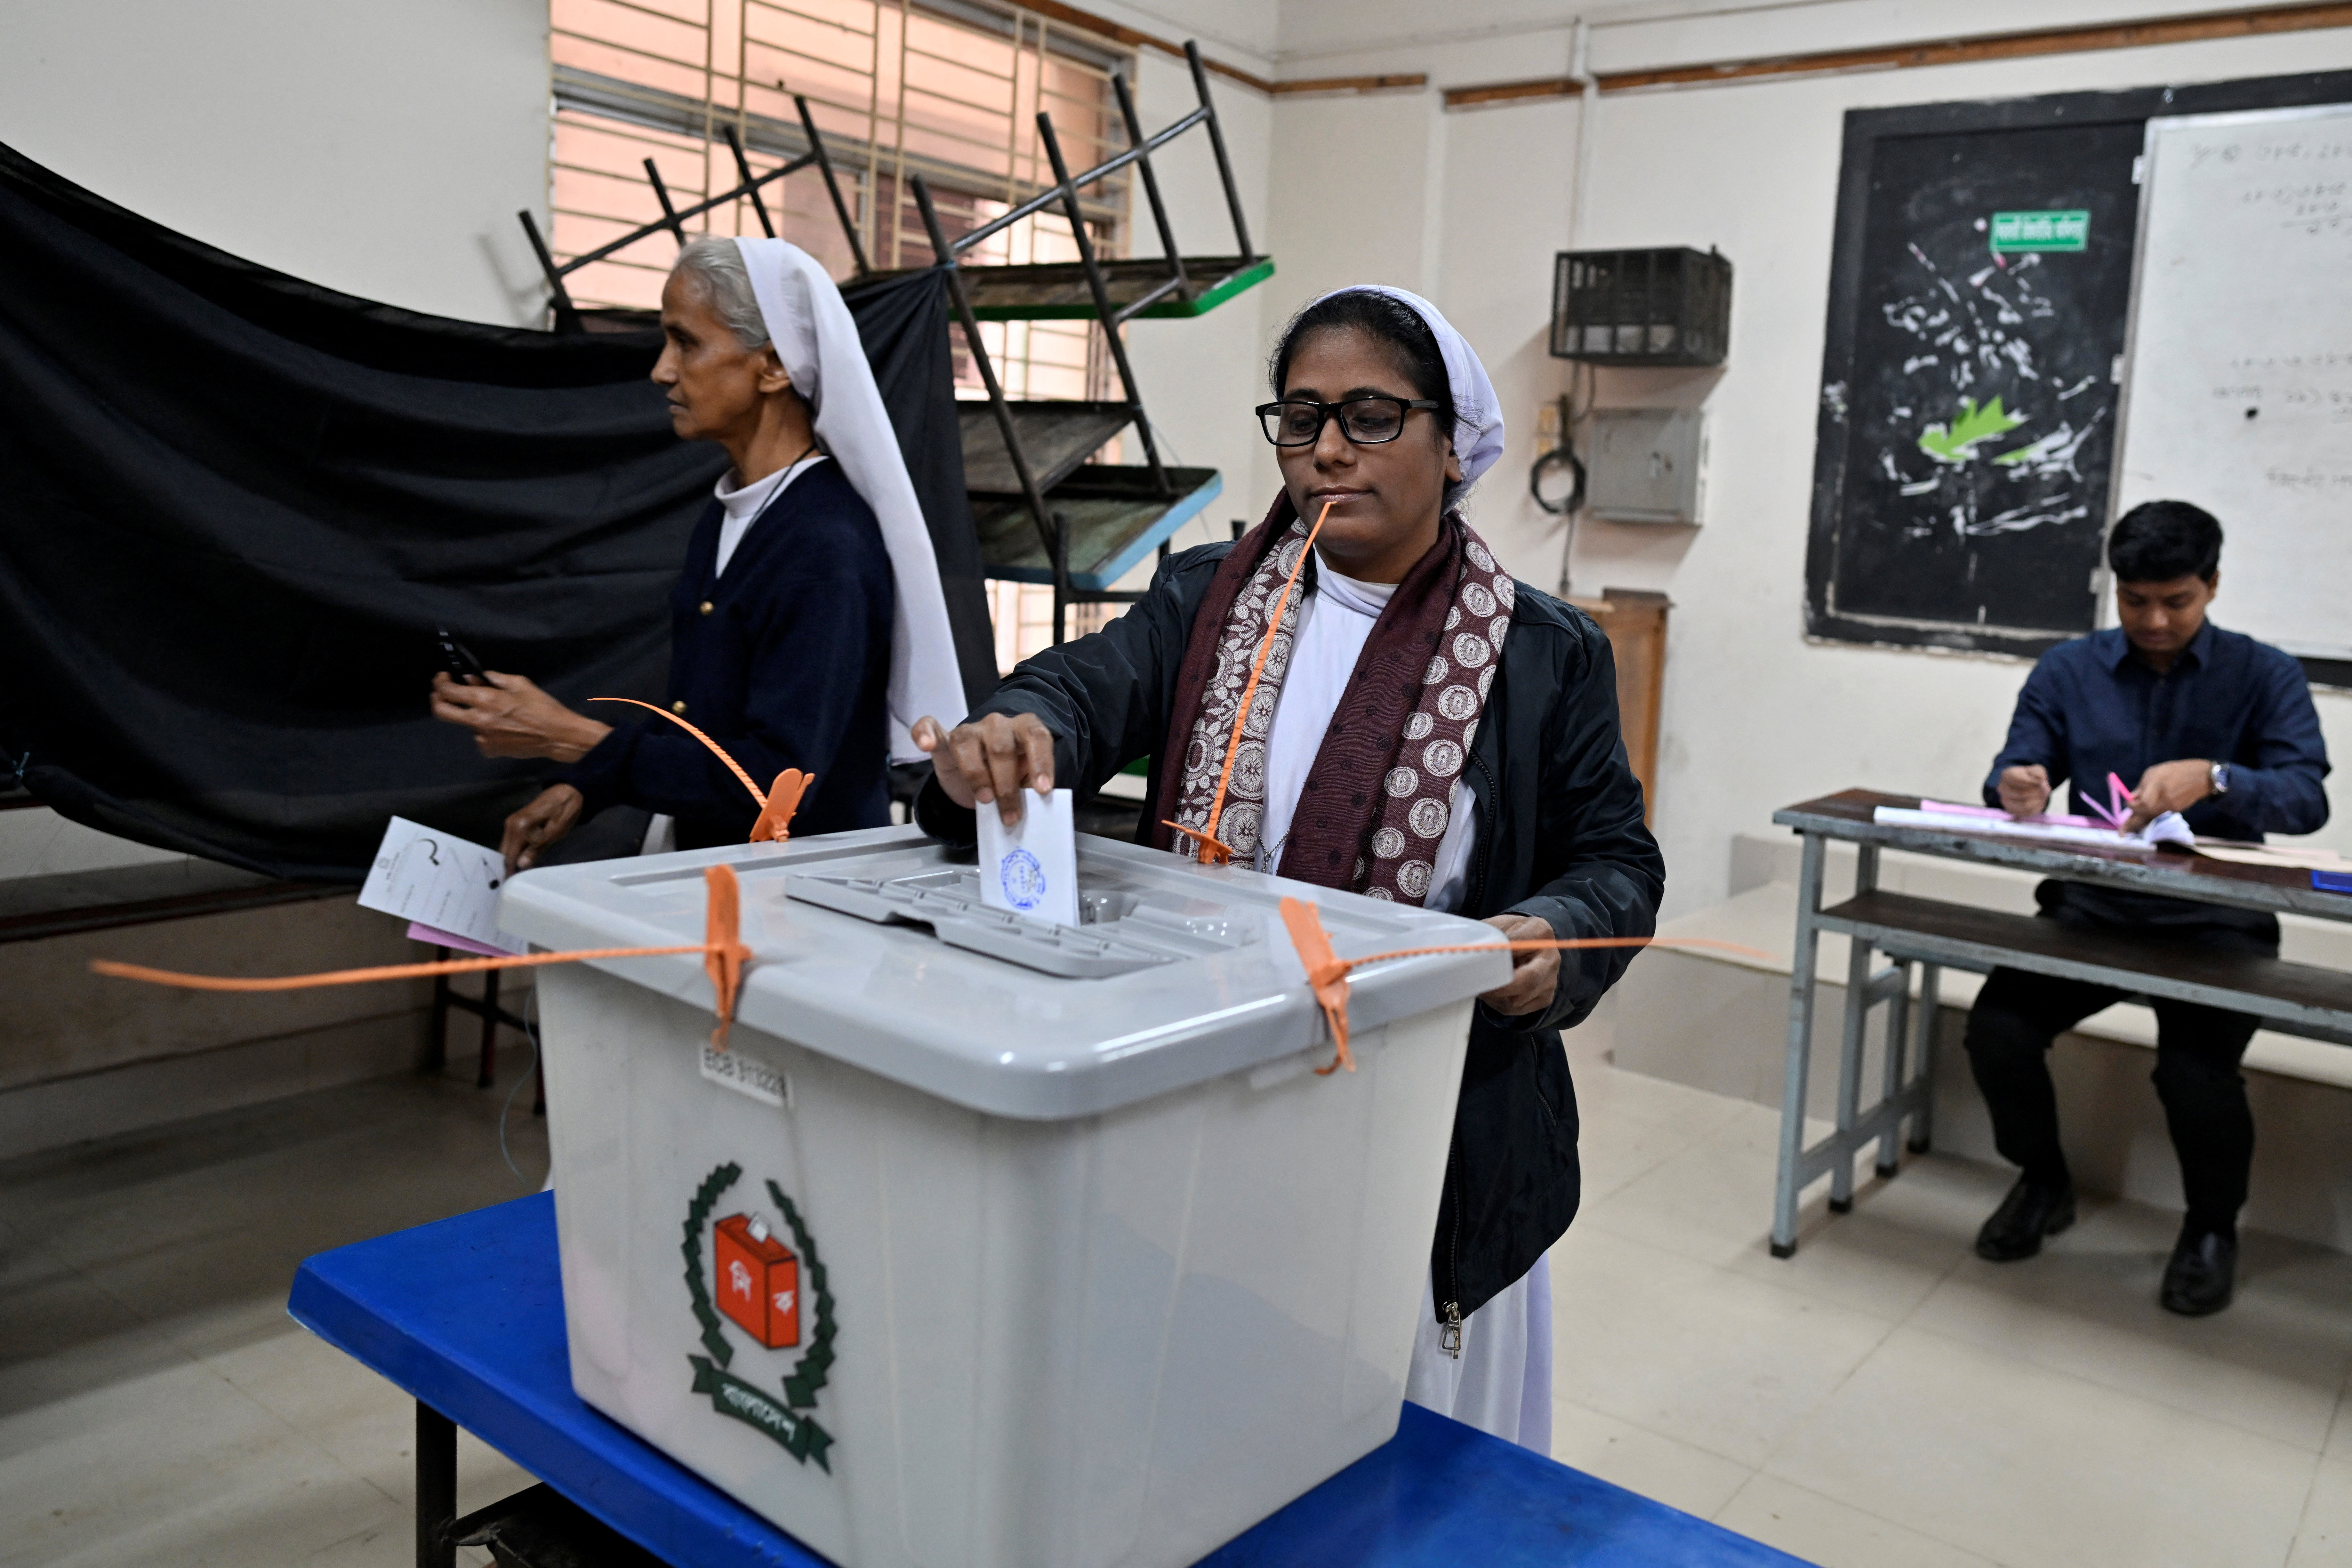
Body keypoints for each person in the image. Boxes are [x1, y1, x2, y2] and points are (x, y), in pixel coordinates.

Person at [909, 287, 1664, 1451]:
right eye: (1301, 417)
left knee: (1390, 1465)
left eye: (1370, 416)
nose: (1326, 450)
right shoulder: (1207, 599)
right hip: (1209, 1095)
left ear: (1451, 443)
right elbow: (1082, 690)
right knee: (1203, 1436)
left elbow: (1614, 859)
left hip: (1429, 1135)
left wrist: (1552, 935)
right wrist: (1019, 733)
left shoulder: (1541, 654)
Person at [431, 237, 963, 871]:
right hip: (724, 876)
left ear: (773, 366)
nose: (662, 370)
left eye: (686, 343)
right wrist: (585, 785)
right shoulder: (735, 512)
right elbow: (704, 720)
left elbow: (774, 786)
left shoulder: (825, 545)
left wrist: (575, 740)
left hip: (802, 892)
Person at [1968, 499, 2329, 1315]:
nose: (2156, 620)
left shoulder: (2266, 673)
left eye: (2177, 601)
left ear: (2213, 585)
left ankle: (2211, 1229)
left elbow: (2307, 800)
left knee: (2197, 1072)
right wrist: (2014, 783)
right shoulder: (2069, 669)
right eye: (2136, 601)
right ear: (2115, 589)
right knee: (1999, 1027)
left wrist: (2219, 777)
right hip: (2093, 907)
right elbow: (2018, 762)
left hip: (2218, 919)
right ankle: (2043, 1181)